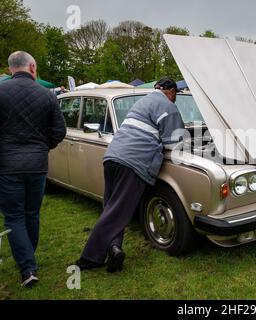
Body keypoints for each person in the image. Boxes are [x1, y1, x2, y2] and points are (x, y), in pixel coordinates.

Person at [76, 77, 185, 272]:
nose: (174, 98)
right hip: (133, 162)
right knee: (117, 213)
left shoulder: (142, 102)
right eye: (175, 95)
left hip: (112, 157)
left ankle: (114, 249)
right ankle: (90, 258)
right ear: (170, 91)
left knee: (111, 209)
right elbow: (175, 141)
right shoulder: (168, 106)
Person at [0, 51, 66, 287]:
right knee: (31, 213)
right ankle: (28, 258)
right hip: (37, 165)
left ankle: (27, 266)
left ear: (10, 69)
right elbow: (59, 131)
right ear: (32, 67)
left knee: (15, 217)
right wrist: (42, 146)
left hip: (8, 166)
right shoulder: (46, 95)